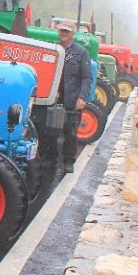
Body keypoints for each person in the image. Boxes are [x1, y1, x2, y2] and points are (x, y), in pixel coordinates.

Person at [57, 22, 92, 174]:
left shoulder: (81, 52)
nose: (64, 33)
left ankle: (69, 161)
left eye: (67, 31)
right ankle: (50, 160)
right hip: (54, 98)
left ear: (72, 34)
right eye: (62, 30)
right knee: (50, 131)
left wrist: (82, 98)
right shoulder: (55, 49)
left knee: (70, 132)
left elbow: (86, 78)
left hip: (71, 99)